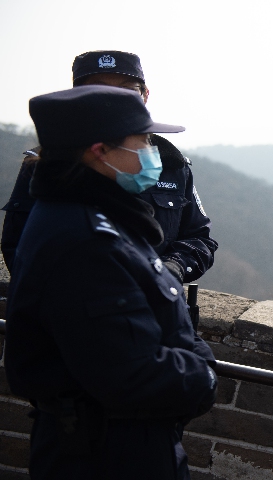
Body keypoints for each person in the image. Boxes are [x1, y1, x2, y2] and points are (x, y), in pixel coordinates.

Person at [4, 85, 218, 479]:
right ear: (100, 151)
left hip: (117, 439)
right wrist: (203, 372)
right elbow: (131, 374)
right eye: (143, 141)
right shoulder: (84, 241)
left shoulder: (93, 212)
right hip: (105, 451)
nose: (151, 152)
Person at [1, 50, 216, 283]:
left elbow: (200, 238)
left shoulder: (171, 162)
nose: (115, 98)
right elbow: (19, 250)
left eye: (128, 90)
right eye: (99, 89)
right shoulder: (47, 166)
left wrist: (173, 267)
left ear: (145, 95)